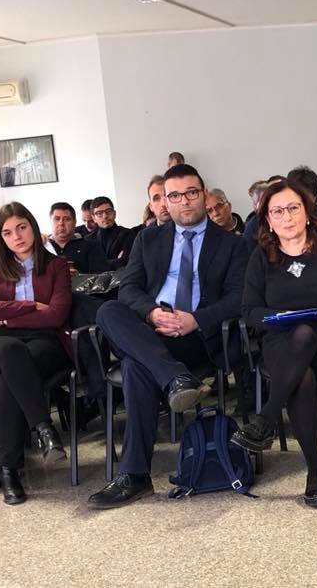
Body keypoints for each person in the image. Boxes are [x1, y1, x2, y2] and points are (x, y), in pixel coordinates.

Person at [87, 164, 249, 509]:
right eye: (174, 195)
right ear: (165, 202)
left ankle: (135, 476)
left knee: (135, 366)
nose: (184, 201)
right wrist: (151, 313)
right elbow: (129, 289)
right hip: (153, 331)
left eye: (191, 193)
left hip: (198, 338)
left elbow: (238, 298)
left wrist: (195, 320)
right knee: (108, 311)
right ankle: (176, 378)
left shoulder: (231, 244)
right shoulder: (148, 239)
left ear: (203, 195)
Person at [233, 179, 317, 508]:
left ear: (307, 212)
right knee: (301, 372)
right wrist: (278, 318)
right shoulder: (261, 258)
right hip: (281, 342)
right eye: (277, 211)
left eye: (293, 208)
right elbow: (249, 311)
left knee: (306, 334)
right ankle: (316, 472)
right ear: (267, 220)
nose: (287, 216)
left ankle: (266, 417)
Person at [0, 202, 73, 505]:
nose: (16, 236)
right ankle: (44, 429)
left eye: (21, 227)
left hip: (44, 342)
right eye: (7, 232)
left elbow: (56, 315)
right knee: (11, 352)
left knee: (11, 377)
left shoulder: (56, 265)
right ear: (0, 238)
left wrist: (5, 314)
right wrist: (31, 307)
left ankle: (8, 469)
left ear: (32, 226)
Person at [47, 202, 110, 273]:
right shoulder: (42, 247)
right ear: (50, 221)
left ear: (75, 222)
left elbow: (103, 276)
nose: (61, 223)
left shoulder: (92, 247)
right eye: (57, 219)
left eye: (67, 219)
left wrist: (79, 276)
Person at [86, 196, 135, 267]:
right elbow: (88, 266)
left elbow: (126, 261)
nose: (105, 216)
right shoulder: (88, 240)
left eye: (108, 211)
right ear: (94, 218)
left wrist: (99, 264)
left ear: (114, 214)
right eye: (99, 213)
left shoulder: (127, 234)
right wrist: (115, 261)